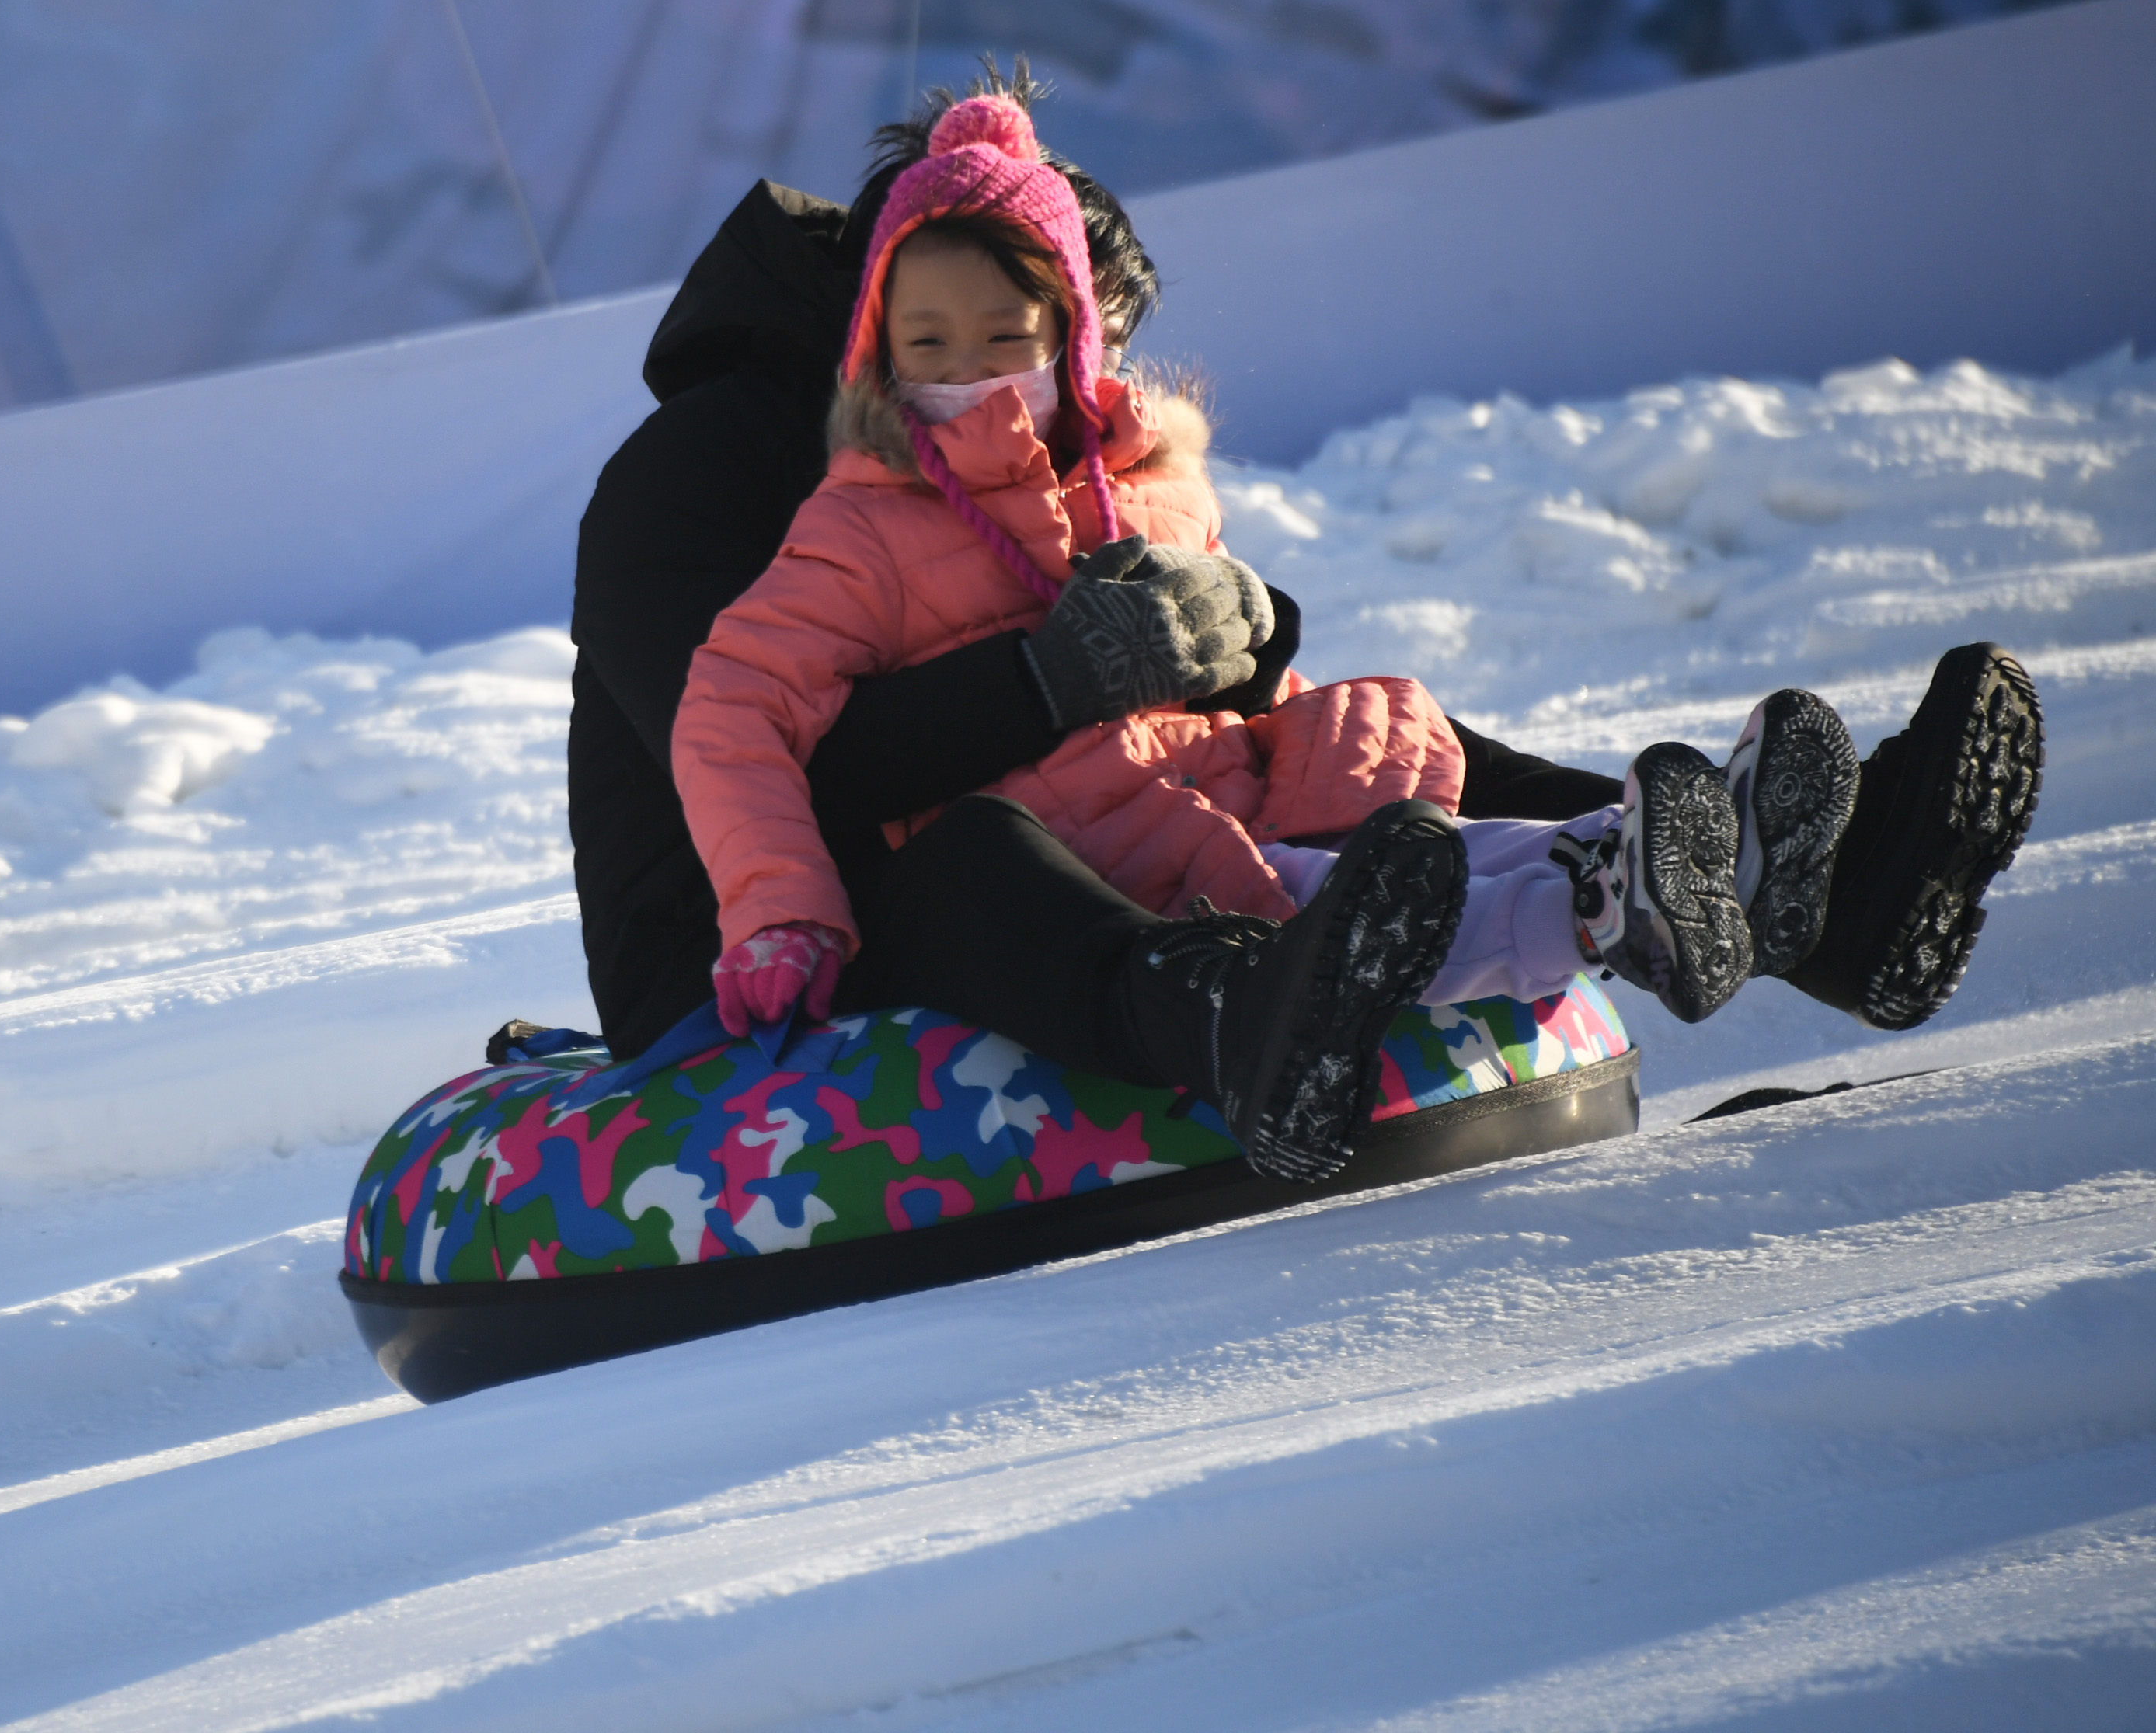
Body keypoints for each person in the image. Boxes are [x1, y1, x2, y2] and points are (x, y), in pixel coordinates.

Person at [568, 71, 2043, 1170]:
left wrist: (1240, 632)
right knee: (978, 855)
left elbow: (1167, 677)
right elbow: (765, 765)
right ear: (904, 297)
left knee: (1361, 736)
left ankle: (1765, 876)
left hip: (1068, 799)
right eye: (1021, 337)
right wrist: (1062, 674)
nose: (1053, 379)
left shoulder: (1029, 435)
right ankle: (1227, 1016)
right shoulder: (699, 477)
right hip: (763, 932)